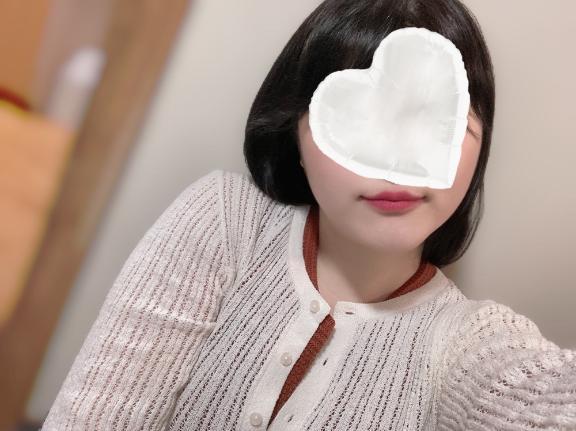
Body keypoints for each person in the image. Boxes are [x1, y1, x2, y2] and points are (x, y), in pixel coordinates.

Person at [42, 0, 576, 429]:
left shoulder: (468, 342)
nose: (397, 165)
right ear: (295, 134)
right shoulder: (226, 221)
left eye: (436, 123)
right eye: (358, 119)